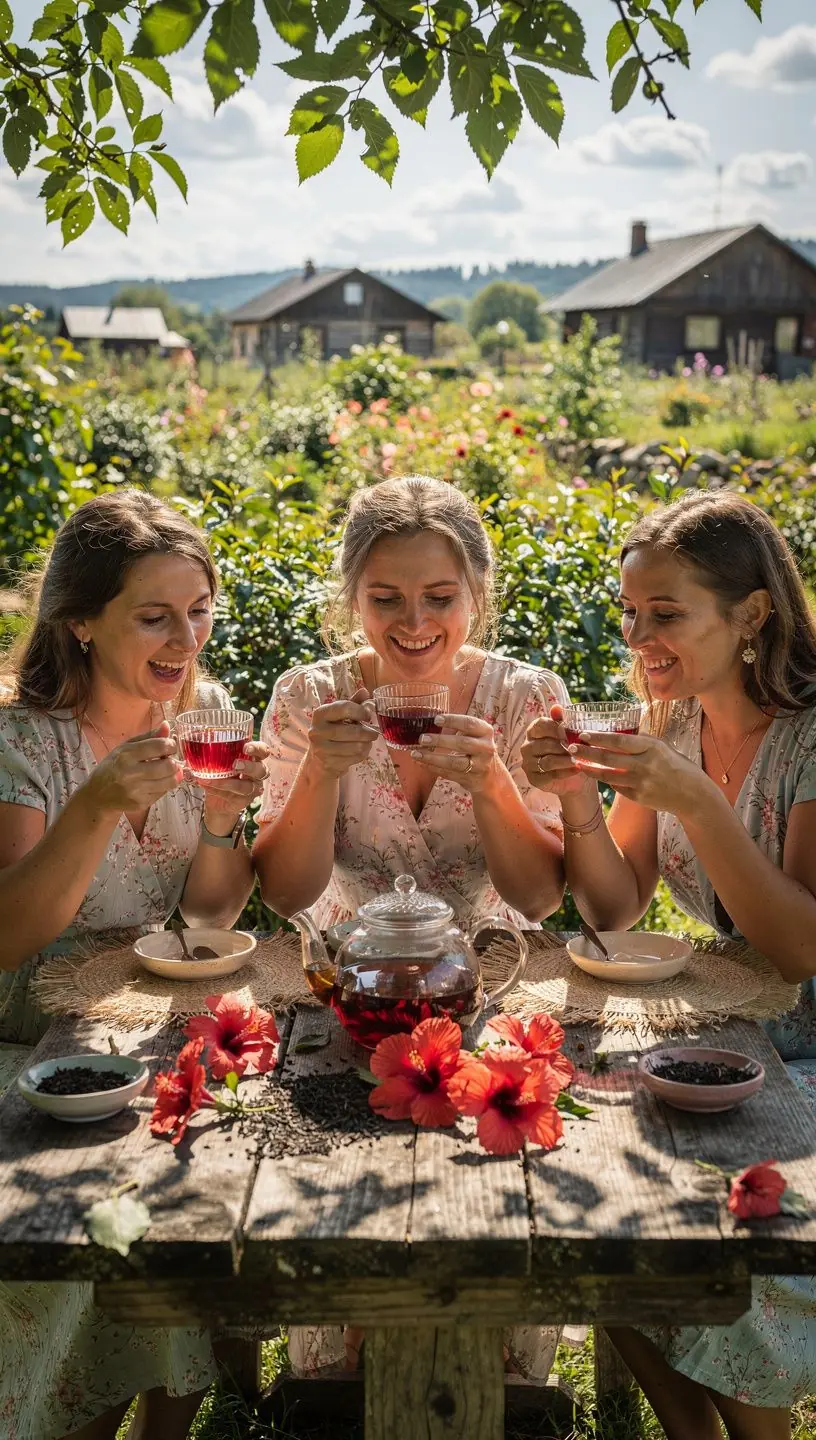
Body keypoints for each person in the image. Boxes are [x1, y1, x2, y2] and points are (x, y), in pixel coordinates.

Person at [253, 473, 569, 1380]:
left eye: (440, 597)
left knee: (481, 1196)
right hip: (344, 999)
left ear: (476, 593)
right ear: (351, 597)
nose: (414, 623)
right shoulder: (307, 696)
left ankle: (486, 1366)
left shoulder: (521, 698)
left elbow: (540, 901)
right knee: (351, 1185)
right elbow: (285, 891)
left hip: (493, 990)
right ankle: (352, 1362)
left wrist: (495, 784)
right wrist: (318, 771)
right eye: (385, 598)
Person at [522, 490, 816, 1440]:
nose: (639, 636)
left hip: (804, 1054)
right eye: (631, 612)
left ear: (752, 615)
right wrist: (575, 796)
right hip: (733, 1039)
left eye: (666, 613)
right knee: (582, 1192)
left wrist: (700, 803)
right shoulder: (675, 725)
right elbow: (614, 907)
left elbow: (801, 947)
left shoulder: (810, 738)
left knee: (738, 1242)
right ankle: (692, 1430)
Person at [0, 490, 268, 1440]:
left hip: (145, 1021)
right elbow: (9, 939)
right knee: (97, 1228)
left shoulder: (195, 730)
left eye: (199, 611)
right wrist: (95, 806)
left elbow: (205, 914)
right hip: (33, 1043)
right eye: (154, 615)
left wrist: (228, 819)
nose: (183, 637)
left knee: (200, 1192)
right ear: (80, 620)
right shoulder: (20, 745)